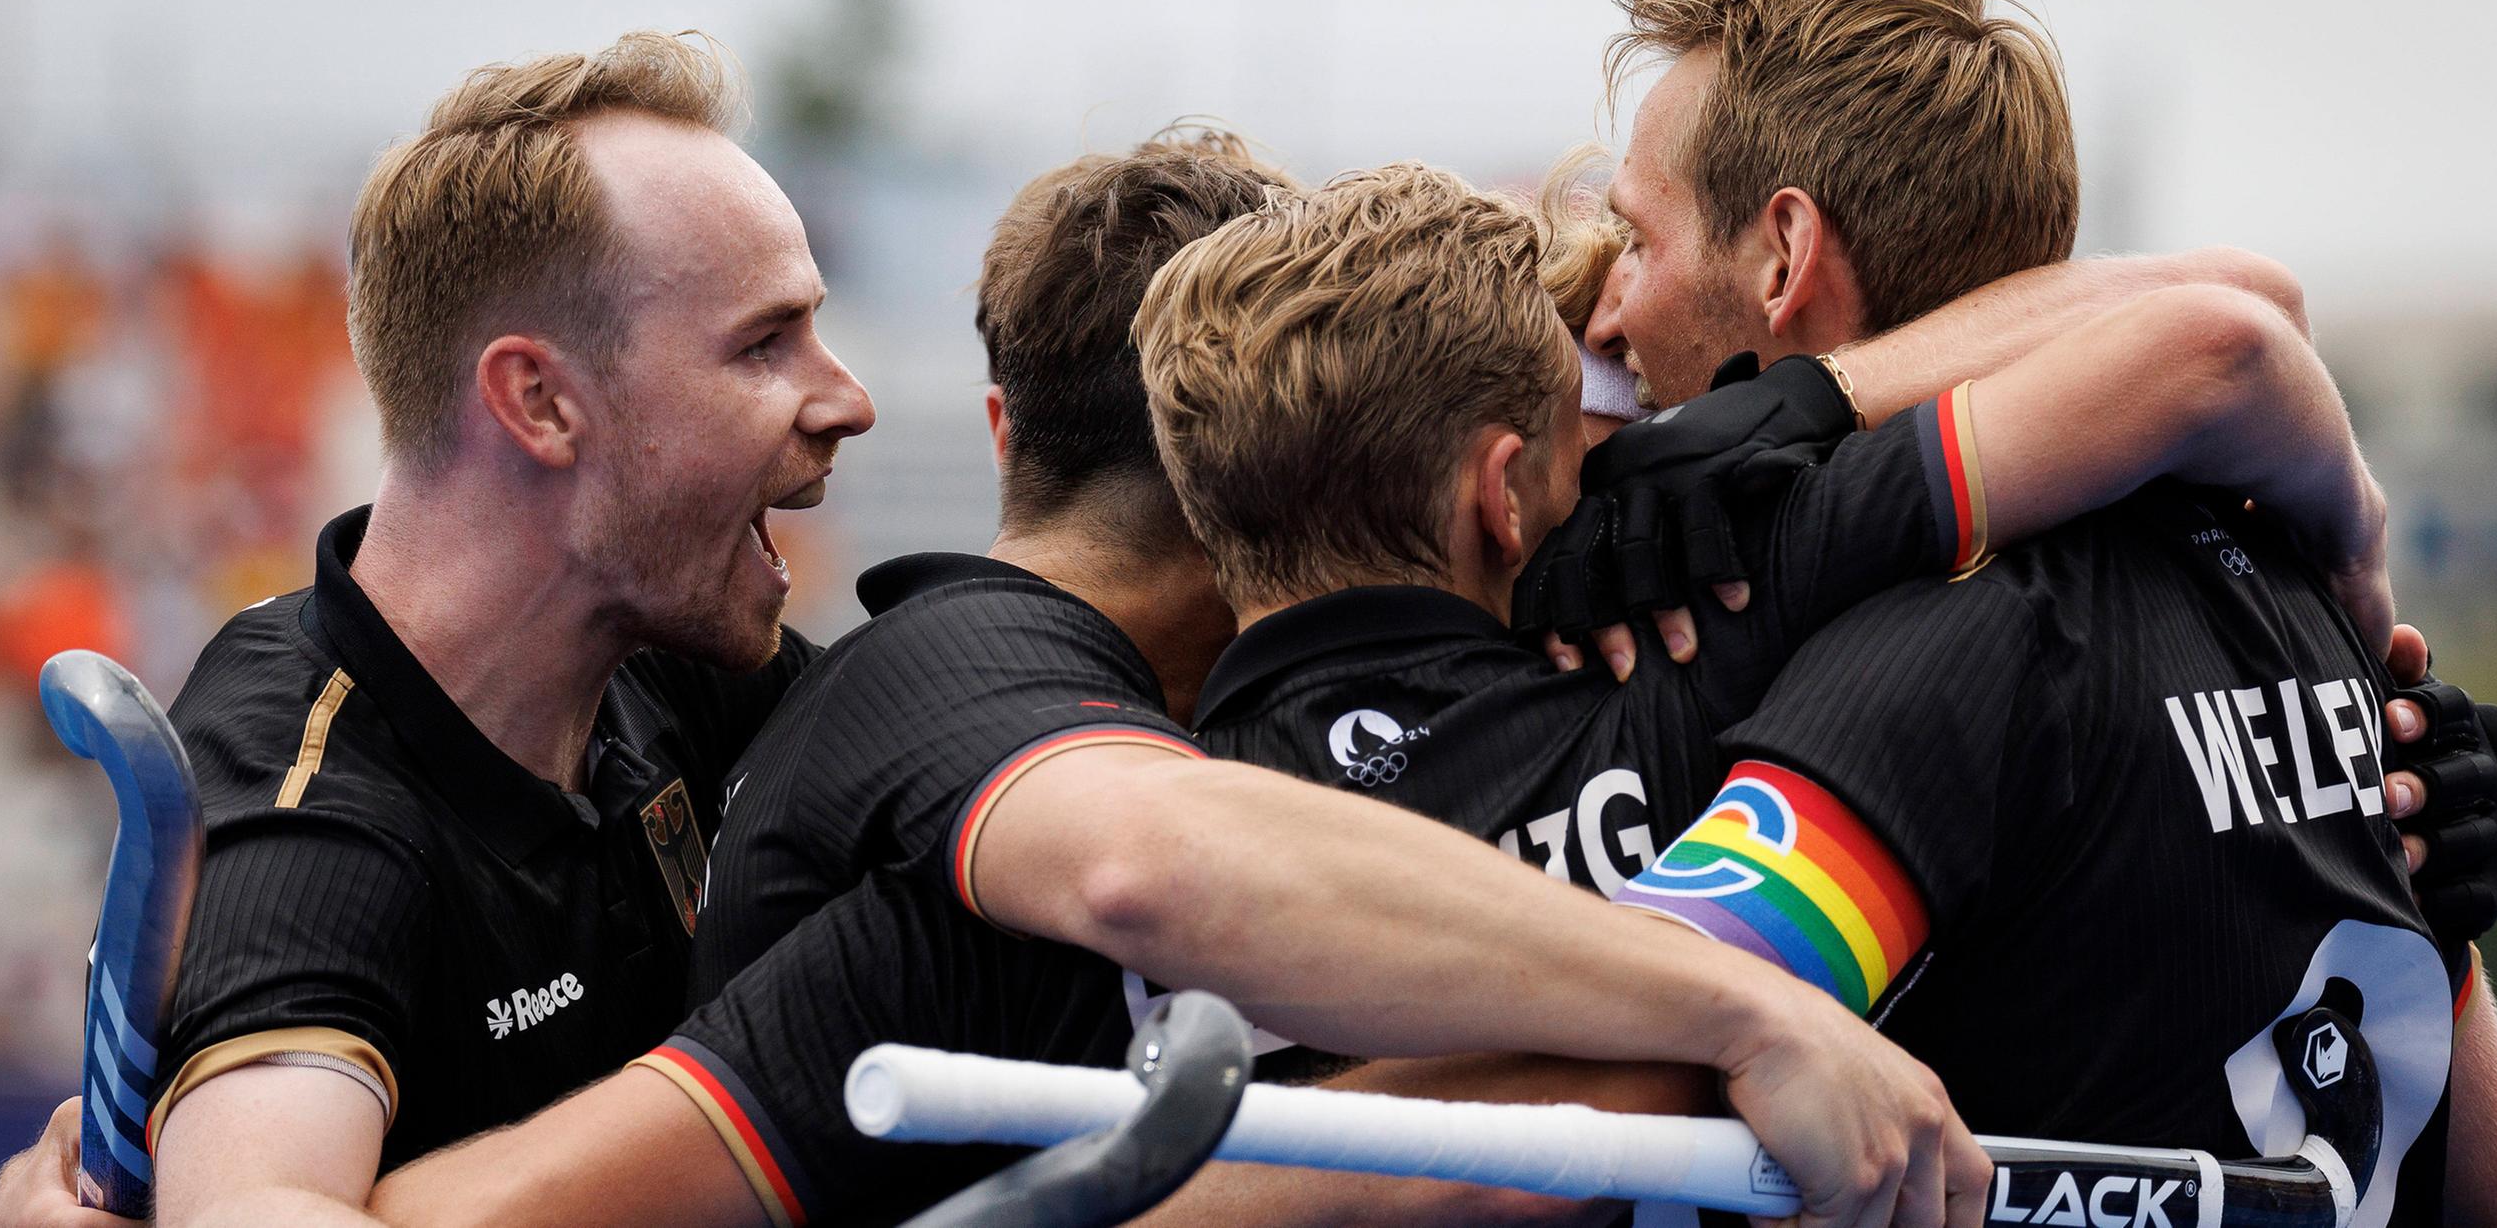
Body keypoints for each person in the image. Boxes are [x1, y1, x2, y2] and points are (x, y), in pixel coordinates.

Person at [367, 129, 1981, 1228]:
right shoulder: (987, 730)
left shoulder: (998, 834)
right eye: (1590, 450)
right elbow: (1164, 870)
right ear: (1501, 488)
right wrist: (1741, 1015)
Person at [1572, 0, 2497, 1222]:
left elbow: (1582, 1097)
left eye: (1636, 241)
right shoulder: (2285, 575)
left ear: (1782, 257)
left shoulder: (1931, 654)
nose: (1609, 317)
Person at [0, 31, 878, 1228]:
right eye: (764, 343)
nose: (847, 399)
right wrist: (720, 1114)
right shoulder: (311, 802)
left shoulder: (659, 650)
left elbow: (967, 757)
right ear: (541, 401)